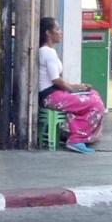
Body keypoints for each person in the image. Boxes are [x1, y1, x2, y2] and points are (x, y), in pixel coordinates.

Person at [38, 17, 104, 154]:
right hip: (51, 96)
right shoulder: (48, 52)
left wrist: (78, 87)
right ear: (48, 33)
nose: (60, 32)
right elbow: (56, 80)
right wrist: (74, 88)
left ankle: (77, 134)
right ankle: (76, 139)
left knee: (94, 94)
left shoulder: (47, 51)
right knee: (95, 103)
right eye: (57, 29)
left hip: (54, 94)